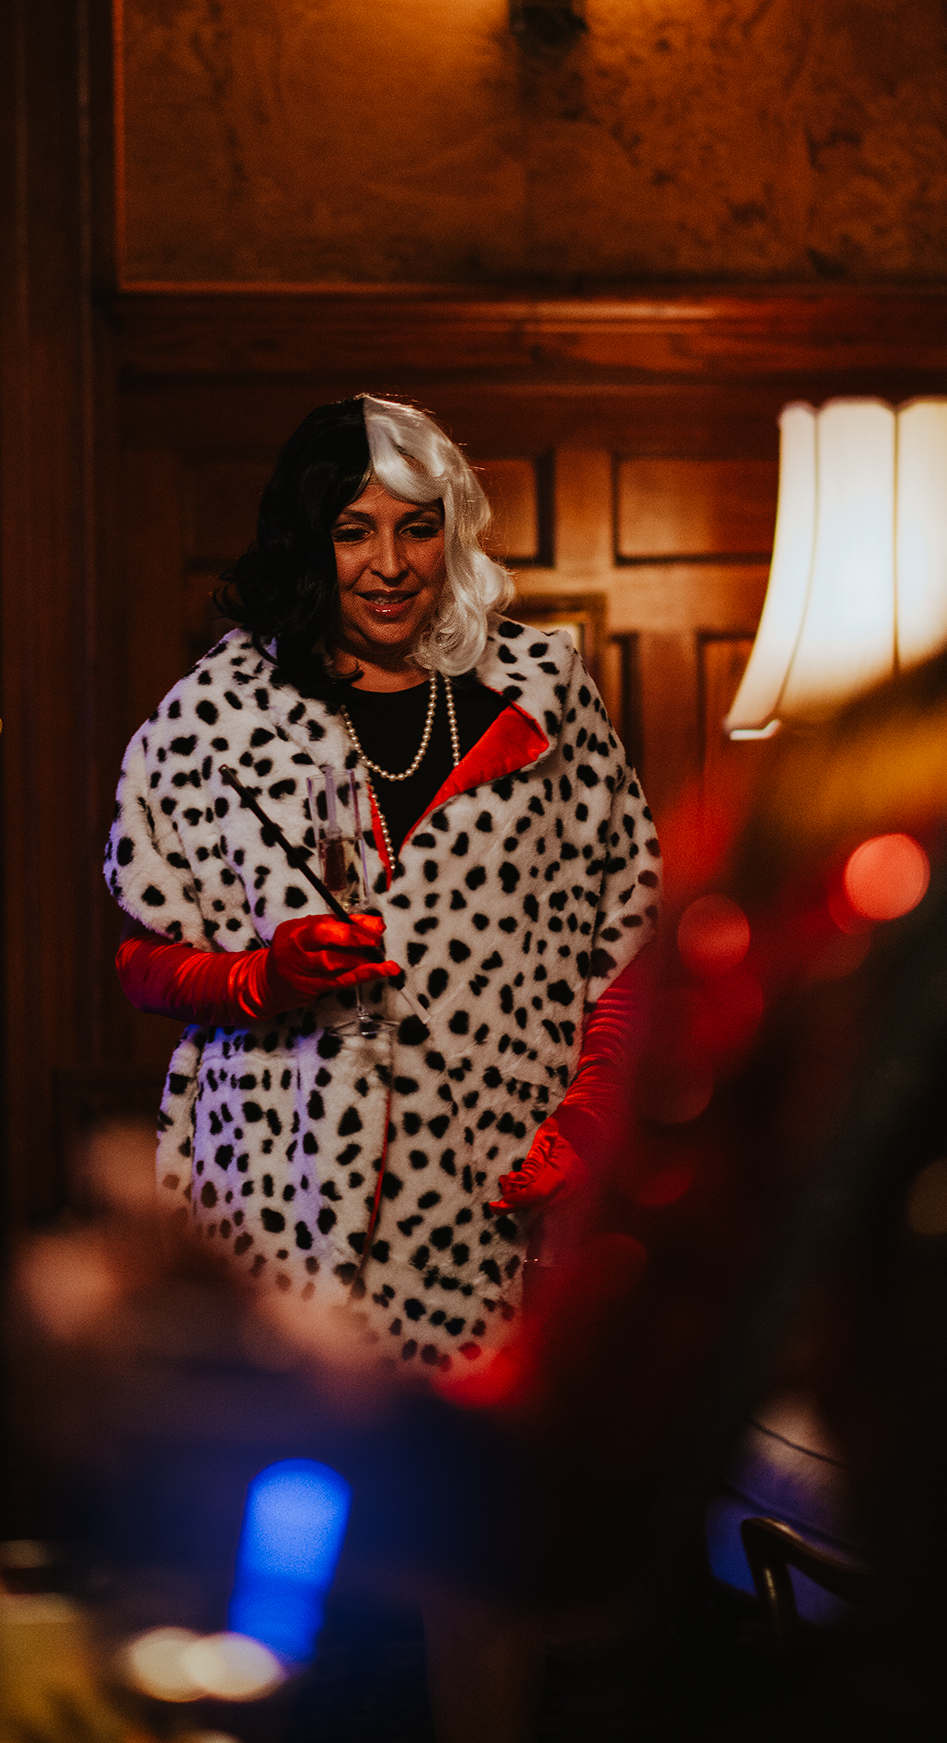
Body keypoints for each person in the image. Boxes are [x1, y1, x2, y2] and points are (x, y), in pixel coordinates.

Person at [106, 396, 658, 1373]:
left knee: (482, 1468)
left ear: (454, 530)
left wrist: (585, 1120)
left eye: (417, 527)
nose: (390, 565)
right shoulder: (211, 717)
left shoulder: (543, 696)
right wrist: (259, 979)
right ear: (305, 542)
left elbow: (625, 938)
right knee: (290, 1463)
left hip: (493, 1204)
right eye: (352, 531)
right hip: (279, 1204)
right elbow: (143, 960)